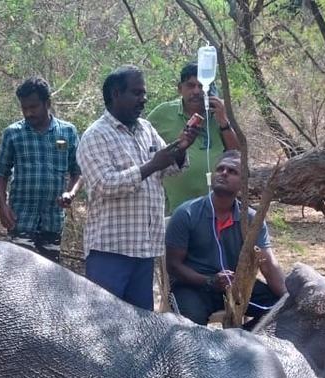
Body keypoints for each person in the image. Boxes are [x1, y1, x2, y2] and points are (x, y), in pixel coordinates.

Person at [77, 65, 199, 310]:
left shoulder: (146, 129)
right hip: (110, 251)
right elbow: (103, 185)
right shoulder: (95, 135)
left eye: (144, 93)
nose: (143, 99)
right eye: (136, 93)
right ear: (115, 94)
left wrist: (182, 147)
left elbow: (168, 169)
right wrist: (150, 166)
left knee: (140, 328)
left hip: (144, 248)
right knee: (104, 324)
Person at [165, 151, 285, 327]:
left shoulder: (251, 219)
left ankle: (239, 343)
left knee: (281, 312)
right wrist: (210, 281)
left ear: (243, 184)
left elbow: (267, 264)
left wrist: (288, 298)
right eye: (220, 169)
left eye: (232, 171)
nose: (224, 173)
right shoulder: (187, 213)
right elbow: (173, 266)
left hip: (236, 287)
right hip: (193, 287)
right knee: (191, 327)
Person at [0, 77, 82, 262]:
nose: (28, 113)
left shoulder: (67, 132)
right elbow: (0, 174)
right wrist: (2, 207)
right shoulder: (13, 133)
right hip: (21, 219)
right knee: (18, 276)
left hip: (52, 221)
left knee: (49, 278)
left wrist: (70, 193)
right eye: (24, 108)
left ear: (47, 103)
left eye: (33, 107)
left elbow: (78, 172)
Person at [146, 61, 240, 214]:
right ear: (180, 88)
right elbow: (142, 144)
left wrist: (223, 120)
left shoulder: (218, 114)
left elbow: (236, 154)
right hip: (173, 208)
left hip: (215, 208)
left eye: (201, 86)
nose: (196, 91)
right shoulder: (163, 114)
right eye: (190, 85)